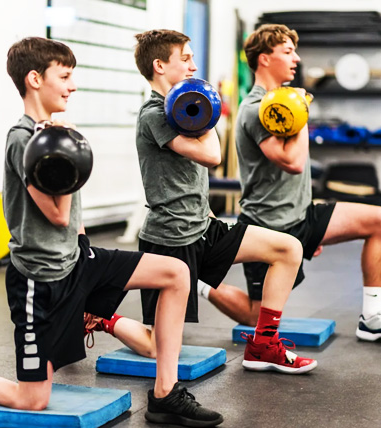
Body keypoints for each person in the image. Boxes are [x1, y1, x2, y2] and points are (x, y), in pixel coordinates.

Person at [0, 37, 224, 428]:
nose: (73, 86)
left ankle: (166, 394)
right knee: (32, 399)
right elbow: (57, 215)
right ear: (35, 79)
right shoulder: (24, 139)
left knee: (176, 273)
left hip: (78, 259)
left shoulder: (50, 132)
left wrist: (83, 241)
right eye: (65, 77)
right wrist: (65, 148)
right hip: (40, 281)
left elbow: (73, 220)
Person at [105, 28, 317, 375]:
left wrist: (201, 104)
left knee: (288, 249)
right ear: (159, 65)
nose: (193, 66)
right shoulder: (154, 114)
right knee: (159, 347)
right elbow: (211, 155)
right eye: (185, 59)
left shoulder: (183, 108)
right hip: (170, 240)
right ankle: (103, 318)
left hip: (204, 227)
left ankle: (264, 343)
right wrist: (205, 105)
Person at [199, 23, 381, 346]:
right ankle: (201, 283)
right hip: (268, 227)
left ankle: (373, 318)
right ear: (264, 59)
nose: (296, 59)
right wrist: (302, 114)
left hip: (302, 215)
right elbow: (292, 161)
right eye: (287, 51)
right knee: (254, 316)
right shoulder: (254, 109)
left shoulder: (283, 101)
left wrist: (297, 108)